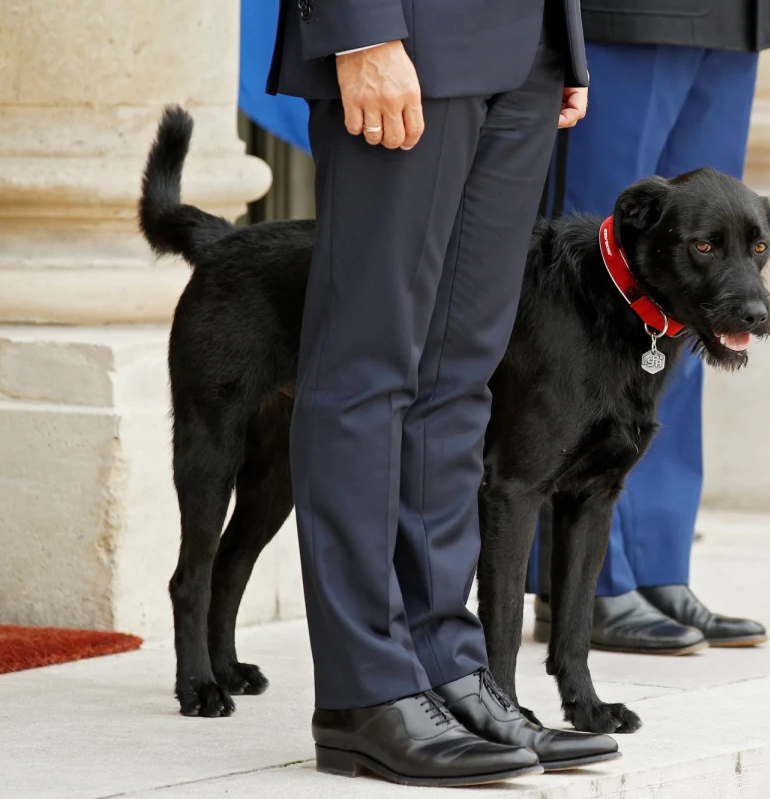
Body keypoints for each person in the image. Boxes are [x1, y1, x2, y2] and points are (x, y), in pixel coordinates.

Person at [265, 0, 620, 787]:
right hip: (407, 33)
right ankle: (365, 691)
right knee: (365, 369)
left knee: (460, 374)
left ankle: (446, 664)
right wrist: (359, 28)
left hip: (527, 46)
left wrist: (561, 38)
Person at [527, 0, 770, 655]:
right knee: (596, 289)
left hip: (731, 18)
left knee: (702, 296)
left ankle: (657, 563)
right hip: (619, 15)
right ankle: (585, 581)